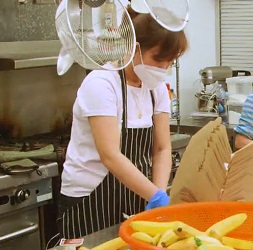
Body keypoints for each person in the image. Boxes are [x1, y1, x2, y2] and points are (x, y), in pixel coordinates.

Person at [57, 6, 188, 239]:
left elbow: (162, 148)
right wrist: (155, 196)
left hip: (136, 193)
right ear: (133, 47)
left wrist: (157, 195)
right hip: (90, 201)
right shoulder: (102, 84)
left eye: (170, 62)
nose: (164, 68)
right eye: (158, 59)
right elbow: (111, 155)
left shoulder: (155, 89)